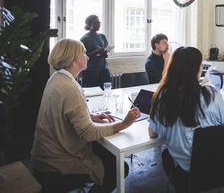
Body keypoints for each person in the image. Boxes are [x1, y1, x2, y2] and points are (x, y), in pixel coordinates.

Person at [31, 38, 141, 193]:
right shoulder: (70, 87)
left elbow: (63, 112)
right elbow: (89, 133)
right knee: (119, 168)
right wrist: (124, 124)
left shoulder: (56, 79)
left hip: (44, 155)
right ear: (73, 58)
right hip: (57, 162)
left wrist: (88, 115)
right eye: (83, 53)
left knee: (107, 153)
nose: (87, 56)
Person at [148, 46, 224, 193]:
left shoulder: (163, 97)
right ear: (196, 71)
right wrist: (222, 111)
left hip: (187, 171)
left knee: (166, 154)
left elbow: (153, 133)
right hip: (216, 165)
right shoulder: (212, 95)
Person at [80, 15, 111, 89]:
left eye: (99, 22)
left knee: (107, 90)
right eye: (95, 23)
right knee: (93, 91)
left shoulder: (102, 36)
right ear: (89, 24)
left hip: (103, 68)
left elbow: (107, 50)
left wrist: (105, 53)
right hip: (91, 70)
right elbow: (82, 56)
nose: (98, 24)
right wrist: (95, 52)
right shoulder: (84, 39)